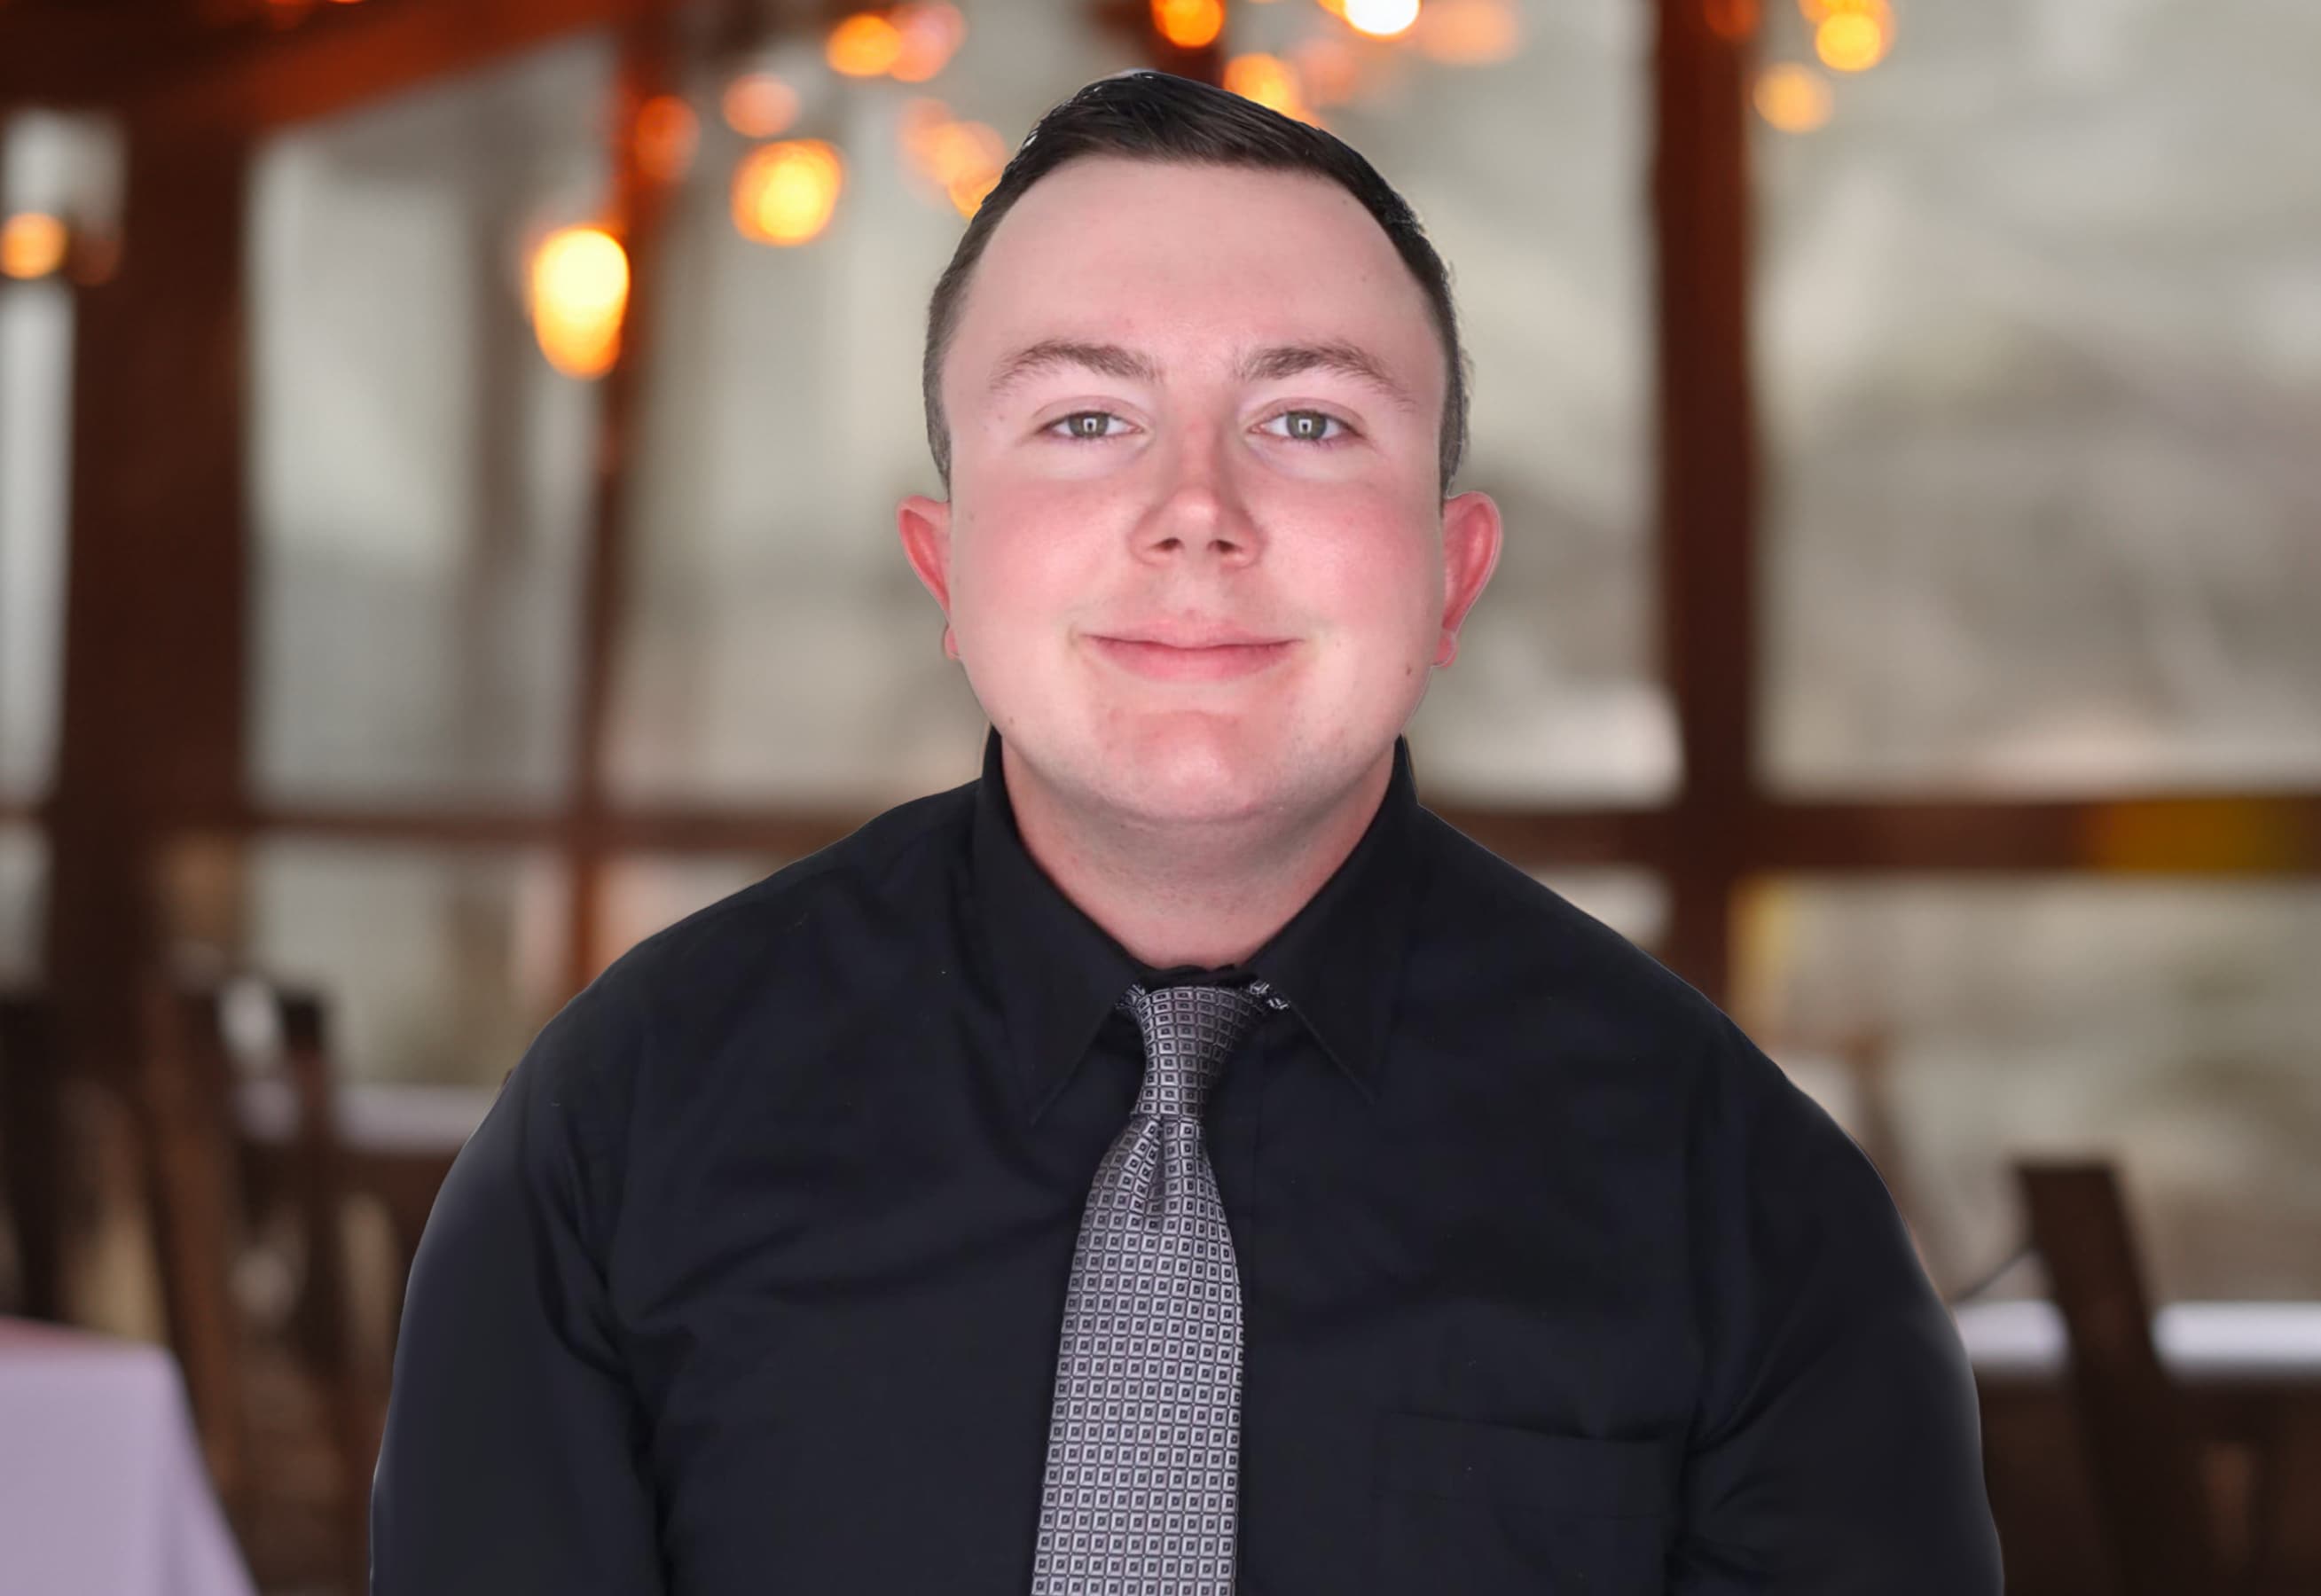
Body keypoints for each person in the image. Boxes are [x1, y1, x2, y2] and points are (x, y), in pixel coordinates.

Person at [370, 69, 1997, 1595]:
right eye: (1086, 419)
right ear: (947, 568)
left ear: (1454, 571)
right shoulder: (617, 1129)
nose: (1198, 508)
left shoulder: (1750, 1207)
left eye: (1308, 422)